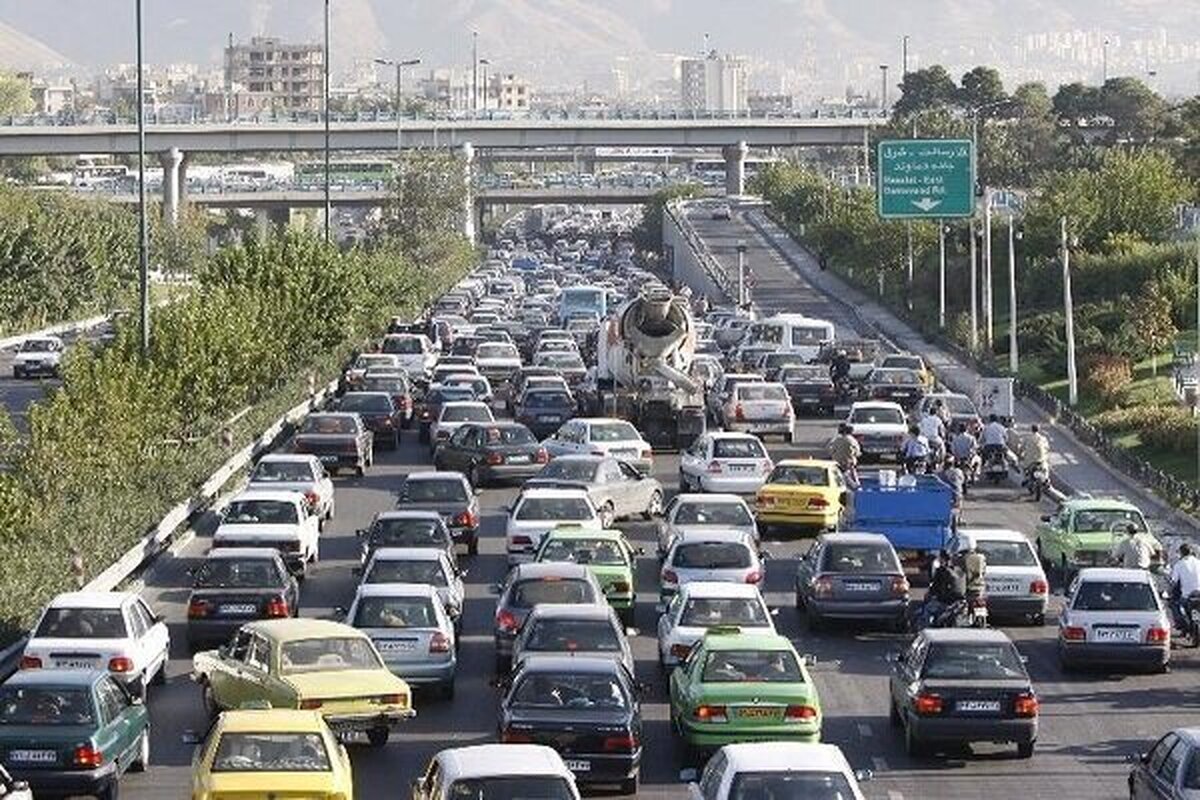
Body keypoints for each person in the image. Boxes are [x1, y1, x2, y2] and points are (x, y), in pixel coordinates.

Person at [922, 551, 966, 627]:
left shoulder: (941, 570)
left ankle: (926, 628)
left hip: (945, 601)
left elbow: (935, 587)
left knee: (927, 609)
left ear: (942, 559)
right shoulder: (960, 570)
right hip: (960, 601)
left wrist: (931, 593)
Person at [1169, 543, 1200, 632]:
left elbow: (1173, 581)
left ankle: (1181, 624)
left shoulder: (1179, 564)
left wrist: (1170, 591)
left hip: (1187, 596)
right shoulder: (1198, 562)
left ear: (1181, 553)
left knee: (1173, 604)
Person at [940, 457, 965, 530]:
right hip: (957, 493)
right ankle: (960, 518)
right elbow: (962, 480)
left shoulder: (942, 474)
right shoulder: (958, 471)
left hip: (946, 494)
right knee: (959, 500)